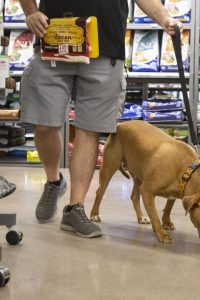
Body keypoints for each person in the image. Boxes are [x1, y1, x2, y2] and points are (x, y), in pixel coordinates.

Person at [18, 0, 182, 238]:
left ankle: (75, 208)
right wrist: (31, 11)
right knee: (44, 124)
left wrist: (165, 18)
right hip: (53, 40)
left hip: (105, 47)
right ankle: (54, 181)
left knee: (90, 128)